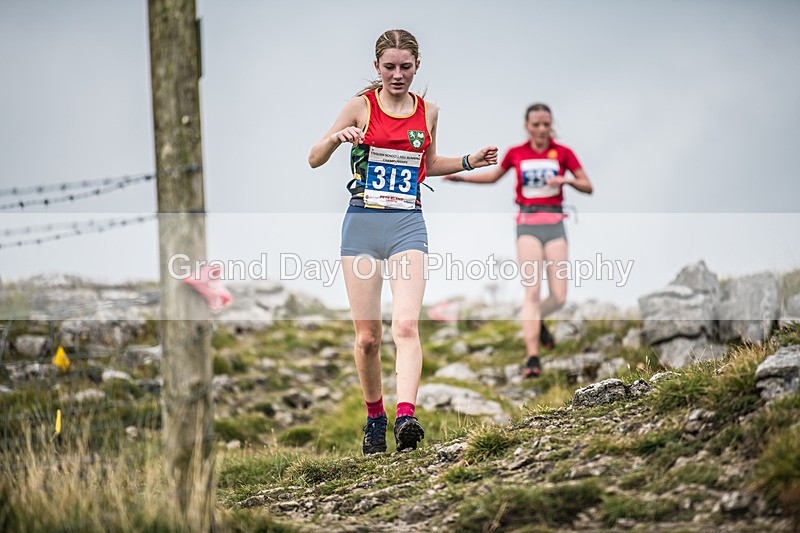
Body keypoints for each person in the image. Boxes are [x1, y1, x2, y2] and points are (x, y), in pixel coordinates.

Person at [308, 29, 498, 455]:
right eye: (389, 67)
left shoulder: (428, 112)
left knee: (407, 325)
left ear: (417, 67)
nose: (397, 75)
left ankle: (406, 416)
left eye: (405, 67)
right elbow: (313, 158)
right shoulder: (361, 107)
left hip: (407, 224)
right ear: (377, 67)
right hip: (361, 225)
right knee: (368, 338)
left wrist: (470, 160)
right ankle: (375, 418)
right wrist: (337, 140)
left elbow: (428, 165)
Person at [444, 103, 593, 378]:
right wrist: (463, 179)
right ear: (527, 127)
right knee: (532, 292)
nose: (540, 129)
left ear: (551, 126)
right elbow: (493, 178)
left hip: (556, 223)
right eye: (535, 125)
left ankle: (537, 320)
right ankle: (533, 358)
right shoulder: (516, 153)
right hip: (527, 225)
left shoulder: (563, 153)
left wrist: (567, 181)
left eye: (545, 124)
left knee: (559, 296)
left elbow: (588, 185)